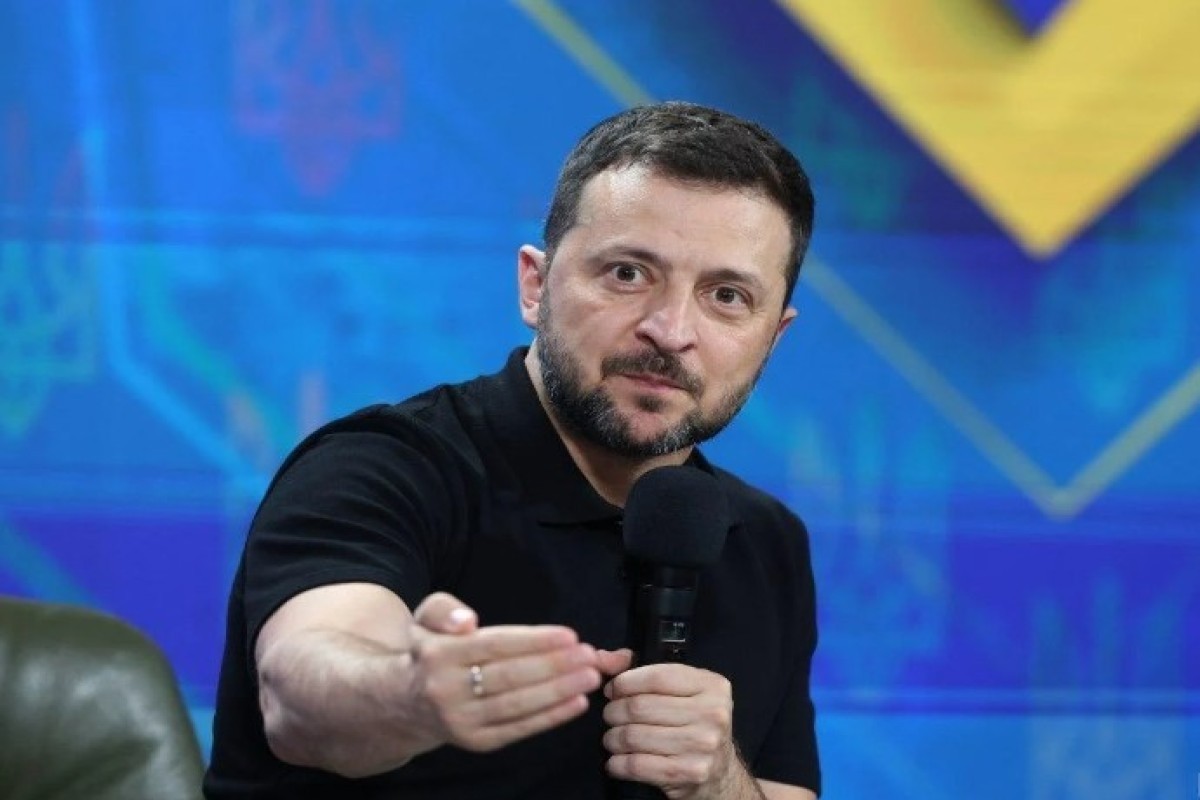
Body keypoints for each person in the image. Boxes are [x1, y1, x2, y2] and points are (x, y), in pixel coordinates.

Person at [204, 101, 821, 799]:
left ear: (773, 337)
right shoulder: (378, 468)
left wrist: (721, 782)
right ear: (535, 285)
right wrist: (409, 693)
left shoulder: (767, 539)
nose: (671, 330)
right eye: (628, 274)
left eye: (727, 296)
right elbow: (302, 693)